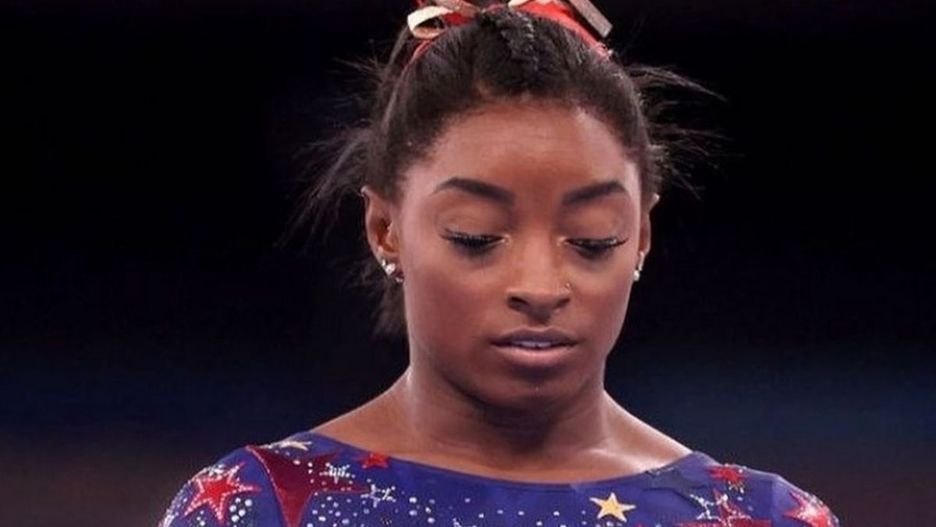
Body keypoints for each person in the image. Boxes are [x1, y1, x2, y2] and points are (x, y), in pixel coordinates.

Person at [159, 1, 841, 526]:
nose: (540, 287)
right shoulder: (263, 506)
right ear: (385, 229)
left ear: (640, 236)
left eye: (592, 239)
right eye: (477, 237)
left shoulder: (759, 517)